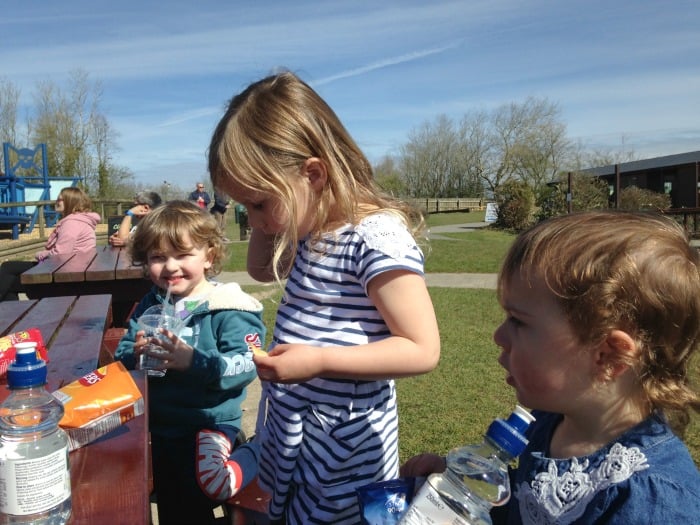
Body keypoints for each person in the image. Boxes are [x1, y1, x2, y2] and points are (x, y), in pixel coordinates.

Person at [208, 71, 441, 524]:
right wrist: (265, 219)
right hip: (294, 428)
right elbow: (260, 269)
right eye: (244, 208)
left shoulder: (375, 239)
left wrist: (318, 361)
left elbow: (421, 348)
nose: (252, 220)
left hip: (345, 446)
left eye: (258, 203)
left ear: (313, 173)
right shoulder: (311, 229)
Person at [401, 210, 700, 524]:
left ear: (607, 355)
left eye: (518, 321)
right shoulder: (549, 424)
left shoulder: (651, 499)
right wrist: (462, 489)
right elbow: (527, 504)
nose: (498, 336)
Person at [113, 200, 266, 525]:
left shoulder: (228, 307)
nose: (170, 267)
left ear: (209, 256)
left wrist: (193, 361)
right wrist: (134, 353)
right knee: (174, 504)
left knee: (203, 487)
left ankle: (253, 456)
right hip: (163, 425)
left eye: (182, 255)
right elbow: (123, 353)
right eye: (157, 257)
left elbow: (246, 365)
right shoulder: (151, 304)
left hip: (209, 421)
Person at [0, 186, 100, 301]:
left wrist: (40, 255)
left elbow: (59, 254)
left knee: (8, 277)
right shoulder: (79, 220)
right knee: (8, 271)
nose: (56, 202)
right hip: (70, 268)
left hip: (64, 273)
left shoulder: (71, 223)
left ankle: (12, 316)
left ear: (70, 202)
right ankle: (13, 315)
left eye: (60, 199)